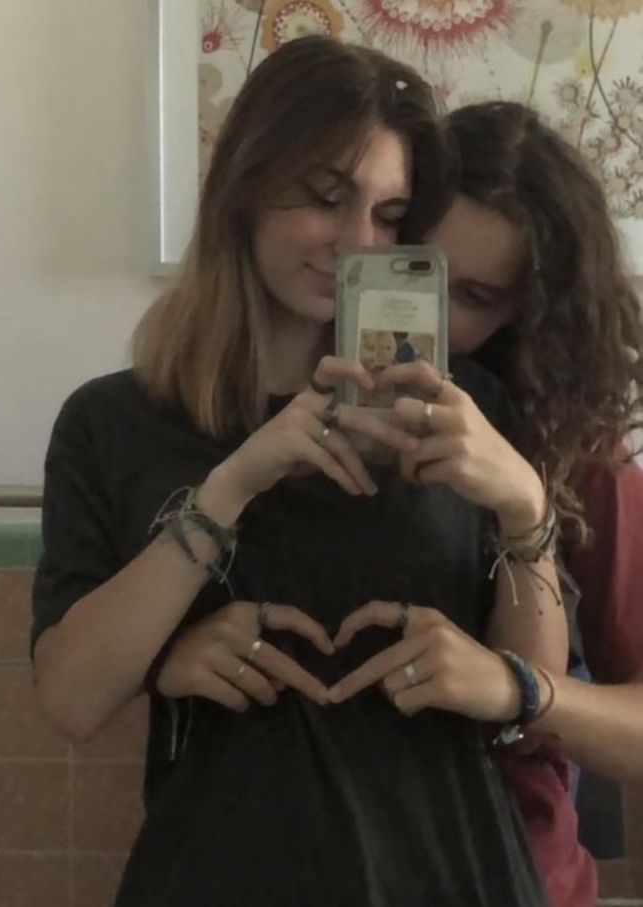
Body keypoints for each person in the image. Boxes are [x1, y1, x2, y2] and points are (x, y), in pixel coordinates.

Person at [31, 40, 568, 906]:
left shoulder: (459, 408)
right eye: (326, 199)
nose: (357, 241)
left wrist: (520, 504)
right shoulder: (113, 422)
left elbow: (526, 694)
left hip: (448, 867)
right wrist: (230, 487)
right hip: (216, 870)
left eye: (390, 216)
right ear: (244, 184)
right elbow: (70, 699)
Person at [423, 100, 643, 907]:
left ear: (527, 313)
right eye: (415, 273)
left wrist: (516, 689)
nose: (432, 326)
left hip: (511, 872)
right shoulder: (273, 413)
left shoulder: (574, 451)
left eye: (474, 296)